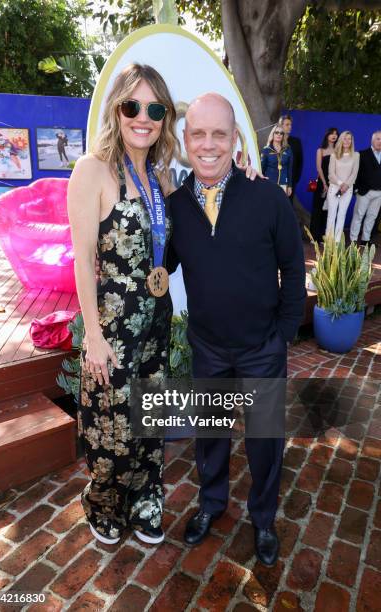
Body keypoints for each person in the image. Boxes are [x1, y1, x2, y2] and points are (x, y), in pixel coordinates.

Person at [167, 93, 306, 567]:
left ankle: (263, 519)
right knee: (211, 436)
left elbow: (292, 263)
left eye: (219, 134)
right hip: (207, 346)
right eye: (198, 134)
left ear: (236, 140)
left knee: (266, 440)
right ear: (185, 141)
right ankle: (211, 504)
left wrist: (285, 330)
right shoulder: (174, 208)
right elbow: (157, 265)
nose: (208, 144)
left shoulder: (265, 195)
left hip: (262, 347)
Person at [67, 63, 178, 546]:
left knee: (149, 415)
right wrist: (92, 334)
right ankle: (106, 500)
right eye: (133, 105)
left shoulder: (160, 176)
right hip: (112, 326)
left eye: (155, 109)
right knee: (112, 423)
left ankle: (147, 495)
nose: (143, 117)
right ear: (117, 108)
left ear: (163, 118)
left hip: (156, 318)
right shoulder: (92, 170)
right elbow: (83, 261)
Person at [325, 130, 359, 242]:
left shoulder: (356, 155)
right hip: (334, 188)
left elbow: (354, 173)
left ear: (352, 141)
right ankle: (329, 243)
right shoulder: (334, 155)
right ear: (341, 140)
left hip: (348, 190)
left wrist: (346, 186)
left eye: (349, 139)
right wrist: (341, 184)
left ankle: (337, 242)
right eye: (345, 138)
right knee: (331, 215)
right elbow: (331, 174)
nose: (347, 141)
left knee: (341, 215)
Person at [350, 130, 381, 246]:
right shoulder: (361, 154)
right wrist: (356, 188)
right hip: (364, 191)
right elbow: (355, 173)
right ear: (372, 140)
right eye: (378, 139)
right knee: (358, 216)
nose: (380, 141)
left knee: (372, 217)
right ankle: (353, 240)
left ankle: (365, 240)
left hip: (379, 193)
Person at [309, 127, 339, 242]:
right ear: (327, 135)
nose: (334, 135)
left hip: (335, 183)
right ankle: (313, 236)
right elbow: (319, 168)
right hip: (322, 183)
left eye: (336, 134)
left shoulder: (338, 150)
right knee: (318, 209)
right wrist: (325, 184)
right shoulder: (320, 150)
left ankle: (323, 236)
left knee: (329, 209)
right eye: (332, 133)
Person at [260, 124, 293, 196]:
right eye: (276, 132)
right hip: (269, 184)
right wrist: (261, 184)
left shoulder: (288, 150)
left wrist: (290, 185)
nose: (279, 135)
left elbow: (289, 169)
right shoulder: (266, 150)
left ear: (283, 136)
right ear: (273, 134)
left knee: (280, 206)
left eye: (281, 133)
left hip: (283, 184)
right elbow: (261, 169)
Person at [278, 114, 303, 202]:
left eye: (290, 124)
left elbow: (300, 162)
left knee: (288, 204)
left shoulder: (296, 142)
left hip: (291, 181)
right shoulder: (276, 141)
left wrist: (295, 179)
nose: (290, 127)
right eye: (287, 124)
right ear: (281, 125)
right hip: (276, 179)